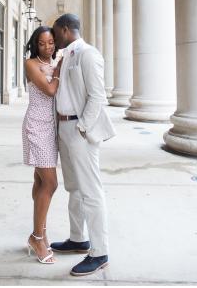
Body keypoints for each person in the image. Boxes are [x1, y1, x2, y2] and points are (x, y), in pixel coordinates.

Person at [48, 14, 116, 276]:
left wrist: (82, 127)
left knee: (90, 190)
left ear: (66, 29)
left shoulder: (88, 54)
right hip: (64, 128)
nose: (53, 38)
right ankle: (78, 239)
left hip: (79, 130)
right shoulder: (65, 57)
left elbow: (98, 96)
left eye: (56, 32)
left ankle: (100, 253)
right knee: (74, 187)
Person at [22, 26, 63, 264]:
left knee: (39, 182)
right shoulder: (31, 64)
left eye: (50, 43)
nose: (47, 47)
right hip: (36, 127)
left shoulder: (55, 61)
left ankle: (41, 231)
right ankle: (37, 237)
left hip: (51, 128)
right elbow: (49, 90)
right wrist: (57, 71)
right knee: (51, 182)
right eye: (42, 43)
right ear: (35, 45)